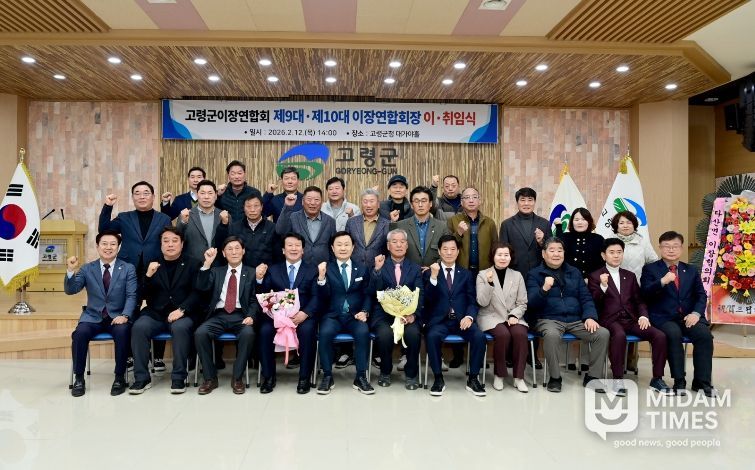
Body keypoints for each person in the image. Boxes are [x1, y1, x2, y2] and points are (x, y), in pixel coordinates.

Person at [98, 180, 172, 369]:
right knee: (130, 311)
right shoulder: (124, 217)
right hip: (129, 271)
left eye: (146, 193)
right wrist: (108, 206)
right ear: (132, 197)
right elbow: (104, 230)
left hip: (155, 270)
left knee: (158, 310)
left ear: (153, 196)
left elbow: (170, 240)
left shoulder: (163, 219)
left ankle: (158, 357)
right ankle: (130, 355)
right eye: (137, 193)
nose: (141, 196)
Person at [587, 238, 672, 396]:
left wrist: (644, 316)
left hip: (631, 319)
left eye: (619, 252)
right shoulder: (595, 276)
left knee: (659, 335)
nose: (616, 256)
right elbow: (592, 301)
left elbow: (639, 300)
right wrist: (603, 286)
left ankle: (657, 379)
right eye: (612, 252)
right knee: (619, 335)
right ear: (603, 255)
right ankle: (617, 379)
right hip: (610, 319)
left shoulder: (630, 276)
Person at [526, 237, 609, 393]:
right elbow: (531, 303)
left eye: (560, 250)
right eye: (552, 250)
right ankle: (555, 378)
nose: (556, 254)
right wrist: (544, 289)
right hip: (548, 319)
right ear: (543, 254)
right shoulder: (534, 274)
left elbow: (586, 297)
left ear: (564, 253)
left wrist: (590, 316)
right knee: (551, 335)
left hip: (575, 319)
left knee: (602, 334)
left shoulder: (574, 272)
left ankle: (593, 377)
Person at [129, 228, 202, 395]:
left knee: (180, 328)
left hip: (182, 313)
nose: (170, 244)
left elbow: (198, 292)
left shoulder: (193, 263)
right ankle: (142, 378)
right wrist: (148, 276)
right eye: (166, 241)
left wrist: (182, 309)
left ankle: (178, 377)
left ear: (182, 244)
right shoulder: (152, 263)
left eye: (175, 241)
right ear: (161, 244)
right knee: (139, 327)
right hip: (155, 313)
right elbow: (141, 295)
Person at [641, 231, 715, 397]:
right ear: (660, 248)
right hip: (664, 317)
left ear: (681, 248)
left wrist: (696, 313)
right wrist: (662, 282)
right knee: (673, 335)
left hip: (689, 316)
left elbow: (701, 295)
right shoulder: (650, 269)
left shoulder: (691, 270)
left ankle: (701, 382)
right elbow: (644, 293)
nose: (671, 250)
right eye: (667, 246)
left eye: (675, 246)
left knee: (704, 336)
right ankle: (679, 380)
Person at [65, 231, 137, 397]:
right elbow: (71, 290)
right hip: (92, 317)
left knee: (123, 331)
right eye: (104, 244)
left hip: (117, 316)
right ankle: (79, 378)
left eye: (113, 244)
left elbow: (132, 296)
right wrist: (70, 270)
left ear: (118, 247)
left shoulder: (128, 268)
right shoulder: (87, 269)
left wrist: (125, 315)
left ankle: (119, 377)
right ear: (97, 247)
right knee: (79, 334)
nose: (108, 247)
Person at [256, 233, 323, 395]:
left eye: (297, 245)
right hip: (277, 316)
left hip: (302, 315)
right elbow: (264, 293)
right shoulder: (273, 270)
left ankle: (304, 378)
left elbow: (317, 296)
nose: (294, 248)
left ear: (303, 250)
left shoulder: (312, 270)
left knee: (307, 331)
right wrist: (258, 279)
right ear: (283, 250)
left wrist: (305, 313)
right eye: (290, 245)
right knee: (264, 331)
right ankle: (269, 377)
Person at [194, 237, 259, 395]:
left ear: (243, 251)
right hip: (219, 315)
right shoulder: (216, 271)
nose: (234, 252)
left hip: (241, 315)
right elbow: (201, 288)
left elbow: (255, 299)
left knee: (248, 333)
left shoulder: (251, 272)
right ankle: (210, 378)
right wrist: (207, 264)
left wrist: (251, 316)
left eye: (237, 248)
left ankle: (237, 378)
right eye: (229, 249)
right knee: (200, 333)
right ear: (223, 253)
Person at [424, 234, 487, 397]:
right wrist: (433, 277)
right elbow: (427, 300)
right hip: (440, 321)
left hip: (461, 320)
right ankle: (438, 379)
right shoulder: (430, 273)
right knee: (431, 336)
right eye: (445, 249)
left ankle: (473, 379)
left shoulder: (466, 274)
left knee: (479, 337)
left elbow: (472, 300)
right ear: (439, 251)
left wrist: (469, 317)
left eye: (453, 249)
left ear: (458, 252)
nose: (449, 252)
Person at [316, 231, 374, 395]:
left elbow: (368, 294)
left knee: (363, 332)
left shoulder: (362, 268)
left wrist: (365, 311)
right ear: (332, 248)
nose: (343, 248)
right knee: (325, 333)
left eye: (347, 244)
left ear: (353, 247)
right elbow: (322, 296)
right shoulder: (326, 268)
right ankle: (327, 376)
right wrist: (321, 278)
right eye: (339, 245)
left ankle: (361, 377)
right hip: (332, 315)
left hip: (355, 316)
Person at [499, 187, 550, 370]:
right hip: (514, 274)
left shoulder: (544, 223)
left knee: (534, 315)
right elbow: (502, 250)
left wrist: (542, 241)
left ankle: (532, 355)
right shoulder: (507, 224)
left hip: (537, 276)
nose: (526, 203)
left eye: (530, 200)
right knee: (511, 314)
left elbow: (551, 251)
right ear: (517, 202)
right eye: (523, 200)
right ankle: (510, 355)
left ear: (534, 202)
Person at [371, 229, 424, 390]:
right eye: (394, 242)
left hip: (407, 315)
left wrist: (413, 315)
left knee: (413, 334)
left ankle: (411, 374)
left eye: (402, 242)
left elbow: (420, 293)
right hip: (384, 314)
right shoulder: (380, 265)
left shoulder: (415, 268)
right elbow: (373, 291)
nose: (399, 245)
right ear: (388, 246)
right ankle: (385, 371)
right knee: (384, 335)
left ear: (407, 246)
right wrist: (377, 271)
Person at [476, 243, 529, 393]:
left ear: (511, 257)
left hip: (513, 315)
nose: (503, 258)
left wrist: (514, 315)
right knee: (503, 335)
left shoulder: (517, 275)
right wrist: (489, 283)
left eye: (506, 255)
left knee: (520, 334)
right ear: (493, 256)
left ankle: (519, 377)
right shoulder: (483, 274)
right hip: (490, 316)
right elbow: (482, 302)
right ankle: (499, 374)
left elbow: (522, 302)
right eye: (499, 254)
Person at [391, 186, 450, 269]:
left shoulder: (442, 226)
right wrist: (393, 223)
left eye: (424, 201)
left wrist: (433, 267)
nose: (420, 205)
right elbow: (393, 249)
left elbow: (448, 251)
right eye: (416, 201)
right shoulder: (400, 225)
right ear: (412, 205)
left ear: (430, 203)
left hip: (435, 272)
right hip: (407, 272)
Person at [276, 186, 336, 265]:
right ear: (302, 201)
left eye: (316, 200)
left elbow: (333, 246)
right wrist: (287, 207)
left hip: (323, 267)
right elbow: (280, 231)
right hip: (298, 266)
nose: (313, 203)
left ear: (321, 202)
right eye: (309, 199)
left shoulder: (330, 221)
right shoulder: (293, 217)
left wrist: (332, 265)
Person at [175, 180, 230, 265]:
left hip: (219, 266)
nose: (206, 197)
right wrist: (183, 222)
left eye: (210, 193)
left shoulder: (225, 216)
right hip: (192, 266)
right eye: (202, 193)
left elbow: (230, 241)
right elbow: (177, 240)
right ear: (197, 195)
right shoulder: (186, 215)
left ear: (216, 195)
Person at [448, 186, 499, 276]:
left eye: (474, 197)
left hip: (485, 272)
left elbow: (495, 248)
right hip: (461, 271)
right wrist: (458, 233)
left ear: (479, 201)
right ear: (461, 202)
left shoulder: (489, 222)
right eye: (467, 197)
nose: (471, 200)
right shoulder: (453, 221)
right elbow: (448, 247)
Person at [228, 193, 279, 268]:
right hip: (242, 272)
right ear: (244, 208)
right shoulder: (234, 228)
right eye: (248, 206)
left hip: (266, 271)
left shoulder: (272, 228)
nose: (252, 210)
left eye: (256, 206)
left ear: (261, 207)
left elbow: (277, 255)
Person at [555, 207, 605, 279]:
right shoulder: (565, 237)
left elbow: (602, 263)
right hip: (568, 280)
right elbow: (557, 248)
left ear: (589, 221)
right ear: (572, 222)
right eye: (576, 220)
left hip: (592, 281)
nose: (580, 222)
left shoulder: (598, 239)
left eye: (583, 219)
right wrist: (558, 227)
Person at [346, 188, 389, 269]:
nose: (368, 205)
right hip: (354, 269)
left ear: (378, 204)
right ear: (361, 204)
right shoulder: (351, 222)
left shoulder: (387, 224)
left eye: (372, 201)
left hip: (378, 269)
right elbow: (346, 245)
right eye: (365, 202)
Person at [611, 210, 659, 282]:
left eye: (629, 223)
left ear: (634, 225)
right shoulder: (608, 242)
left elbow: (653, 262)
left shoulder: (643, 242)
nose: (625, 226)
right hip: (614, 285)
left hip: (638, 285)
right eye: (621, 223)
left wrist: (646, 279)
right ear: (616, 225)